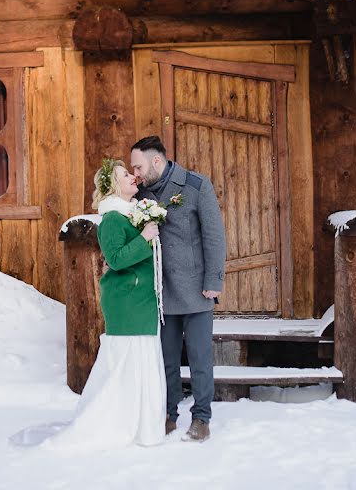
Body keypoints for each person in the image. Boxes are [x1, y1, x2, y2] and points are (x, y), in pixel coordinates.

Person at [12, 159, 166, 451]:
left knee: (142, 357)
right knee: (127, 362)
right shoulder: (111, 219)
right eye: (125, 174)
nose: (133, 177)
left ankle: (145, 426)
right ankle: (117, 423)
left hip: (143, 299)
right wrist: (145, 238)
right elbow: (117, 258)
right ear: (112, 185)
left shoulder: (131, 214)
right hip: (127, 302)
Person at [130, 136, 226, 443]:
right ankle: (169, 414)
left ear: (156, 161)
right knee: (166, 358)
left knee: (199, 358)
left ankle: (202, 418)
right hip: (159, 292)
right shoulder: (140, 193)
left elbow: (214, 237)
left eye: (139, 165)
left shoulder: (197, 185)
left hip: (197, 289)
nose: (136, 172)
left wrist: (214, 281)